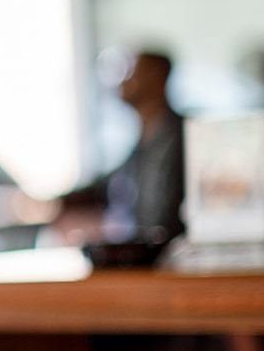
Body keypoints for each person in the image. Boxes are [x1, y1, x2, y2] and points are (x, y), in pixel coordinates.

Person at [55, 48, 185, 243]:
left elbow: (163, 220)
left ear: (157, 76)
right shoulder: (143, 143)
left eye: (131, 70)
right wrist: (55, 203)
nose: (123, 79)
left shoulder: (181, 138)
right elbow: (107, 186)